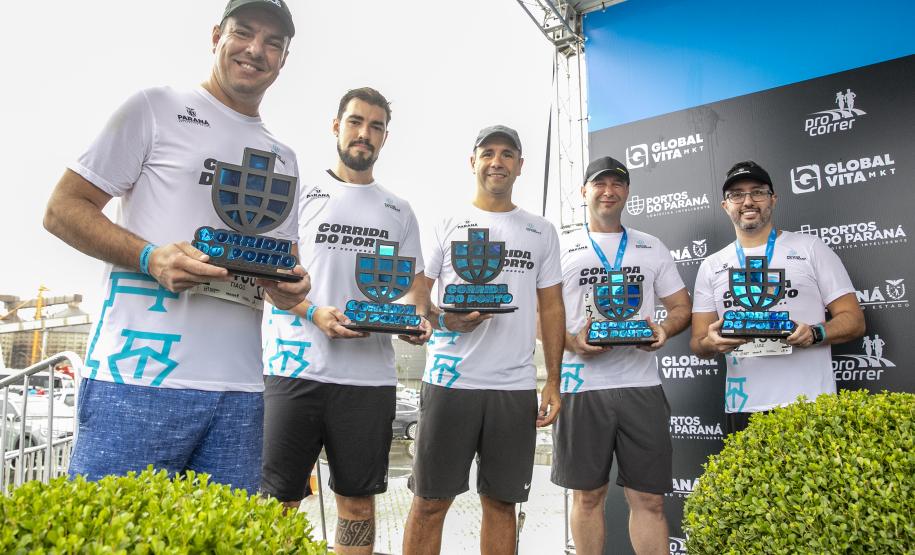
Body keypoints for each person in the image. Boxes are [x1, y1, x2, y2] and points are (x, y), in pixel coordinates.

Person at [42, 0, 309, 494]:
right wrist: (150, 256)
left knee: (223, 544)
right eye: (244, 33)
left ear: (284, 58)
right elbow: (62, 208)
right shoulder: (155, 108)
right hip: (137, 375)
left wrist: (292, 290)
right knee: (110, 538)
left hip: (240, 390)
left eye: (273, 43)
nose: (256, 50)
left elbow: (278, 277)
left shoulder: (284, 158)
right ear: (215, 36)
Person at [260, 87, 430, 555]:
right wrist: (314, 313)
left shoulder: (400, 210)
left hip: (367, 381)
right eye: (356, 122)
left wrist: (417, 315)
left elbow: (416, 284)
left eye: (375, 126)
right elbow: (270, 279)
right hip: (294, 369)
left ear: (385, 138)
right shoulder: (301, 195)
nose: (364, 133)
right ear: (336, 126)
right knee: (277, 505)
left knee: (357, 506)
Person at [402, 125, 565, 555]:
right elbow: (420, 292)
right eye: (488, 152)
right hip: (450, 381)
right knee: (430, 503)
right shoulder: (447, 222)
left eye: (507, 154)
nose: (497, 161)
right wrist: (441, 319)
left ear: (520, 165)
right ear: (472, 161)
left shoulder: (540, 231)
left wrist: (552, 381)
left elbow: (551, 308)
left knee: (501, 504)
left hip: (512, 387)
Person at [551, 156, 691, 555]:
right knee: (587, 497)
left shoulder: (651, 245)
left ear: (627, 192)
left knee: (649, 500)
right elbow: (543, 317)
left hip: (641, 386)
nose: (608, 191)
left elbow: (681, 306)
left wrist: (664, 328)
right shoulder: (562, 247)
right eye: (599, 184)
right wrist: (571, 340)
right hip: (583, 387)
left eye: (617, 184)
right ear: (584, 192)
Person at [690, 161, 865, 434]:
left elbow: (854, 320)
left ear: (773, 199)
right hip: (743, 407)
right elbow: (698, 342)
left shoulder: (811, 248)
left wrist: (815, 333)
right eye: (736, 194)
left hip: (811, 404)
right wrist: (711, 342)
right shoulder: (712, 265)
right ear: (726, 205)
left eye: (757, 192)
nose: (748, 201)